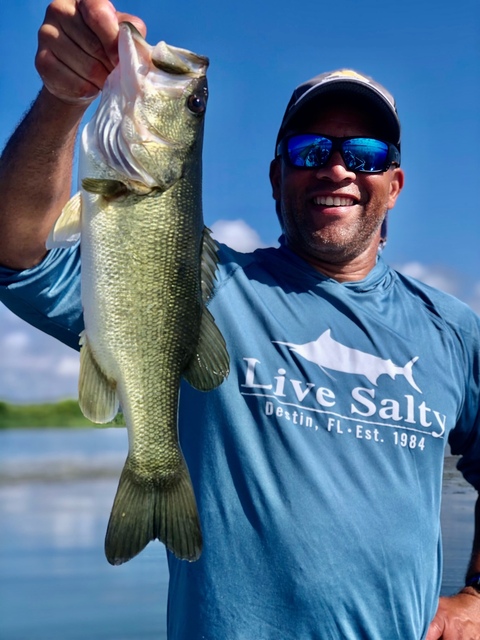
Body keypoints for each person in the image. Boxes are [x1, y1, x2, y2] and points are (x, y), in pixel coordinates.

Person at [1, 1, 480, 638]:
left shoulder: (453, 329)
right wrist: (63, 99)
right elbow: (16, 250)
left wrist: (474, 597)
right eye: (311, 149)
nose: (337, 167)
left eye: (364, 152)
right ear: (277, 175)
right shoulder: (198, 283)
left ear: (394, 184)